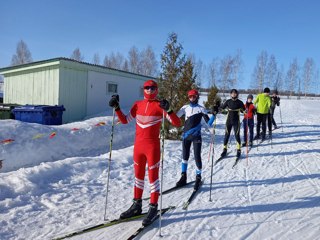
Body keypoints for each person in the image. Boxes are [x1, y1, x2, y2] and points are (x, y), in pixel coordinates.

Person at [108, 79, 181, 226]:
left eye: (153, 88)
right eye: (147, 88)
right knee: (138, 177)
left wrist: (169, 110)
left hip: (152, 147)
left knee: (153, 178)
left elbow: (177, 123)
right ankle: (137, 205)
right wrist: (116, 107)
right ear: (143, 89)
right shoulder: (138, 104)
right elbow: (125, 120)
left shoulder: (160, 105)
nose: (150, 90)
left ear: (157, 90)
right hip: (138, 147)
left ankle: (153, 207)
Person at [175, 89, 215, 190]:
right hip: (186, 136)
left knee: (197, 156)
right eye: (190, 96)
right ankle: (183, 177)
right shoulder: (185, 108)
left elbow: (208, 124)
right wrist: (167, 110)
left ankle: (198, 177)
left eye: (194, 96)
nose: (192, 98)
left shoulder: (201, 108)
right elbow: (175, 118)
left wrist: (214, 115)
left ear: (197, 97)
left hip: (196, 136)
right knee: (185, 157)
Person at [220, 89, 245, 158]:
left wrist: (247, 111)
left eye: (235, 93)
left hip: (236, 121)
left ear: (237, 94)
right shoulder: (228, 101)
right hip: (229, 121)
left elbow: (244, 110)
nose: (234, 94)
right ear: (230, 94)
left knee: (237, 135)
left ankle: (238, 149)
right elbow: (222, 108)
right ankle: (224, 149)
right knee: (226, 135)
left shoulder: (240, 102)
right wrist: (216, 108)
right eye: (232, 93)